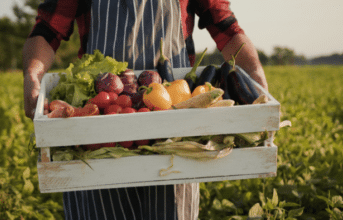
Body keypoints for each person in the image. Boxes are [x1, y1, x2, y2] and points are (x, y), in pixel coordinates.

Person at [23, 0, 268, 219]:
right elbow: (48, 29)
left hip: (175, 130)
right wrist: (33, 75)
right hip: (100, 125)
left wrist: (255, 74)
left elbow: (224, 23)